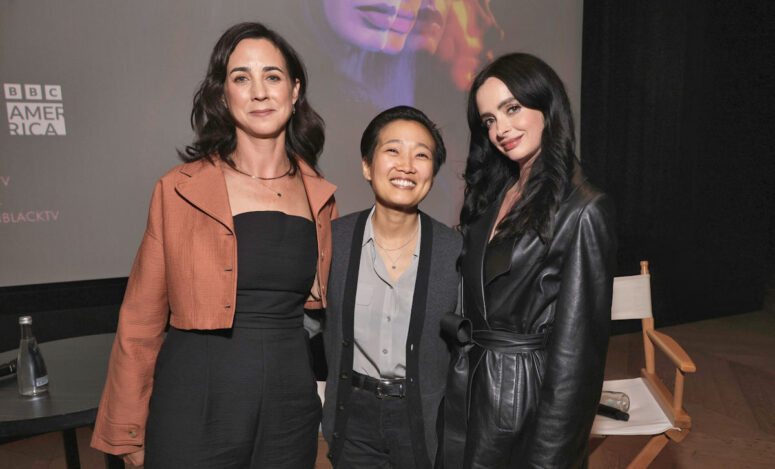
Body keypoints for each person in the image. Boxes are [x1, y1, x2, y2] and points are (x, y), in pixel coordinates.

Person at [90, 22, 337, 468]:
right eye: (241, 77)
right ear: (224, 96)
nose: (259, 91)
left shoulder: (320, 195)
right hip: (195, 404)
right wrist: (128, 428)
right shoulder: (180, 189)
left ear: (295, 90)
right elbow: (140, 320)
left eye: (273, 76)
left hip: (290, 408)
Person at [440, 53, 617, 468]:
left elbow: (577, 362)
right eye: (488, 120)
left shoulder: (584, 209)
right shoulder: (497, 193)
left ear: (547, 104)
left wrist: (550, 459)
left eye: (512, 108)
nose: (501, 129)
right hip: (471, 391)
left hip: (523, 410)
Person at [320, 106, 461, 468]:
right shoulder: (333, 242)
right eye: (393, 150)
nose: (407, 165)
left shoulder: (455, 252)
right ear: (367, 166)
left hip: (423, 420)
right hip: (353, 419)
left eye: (422, 155)